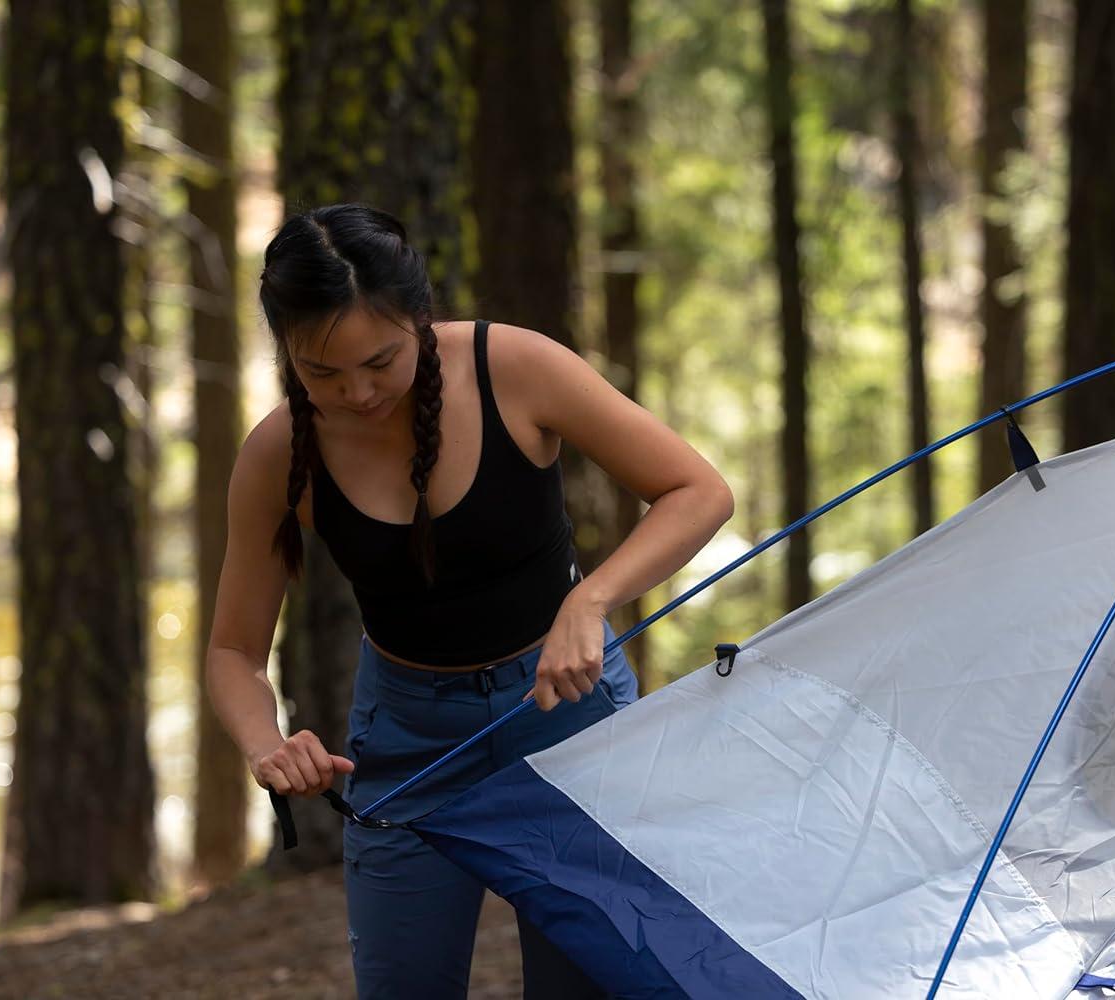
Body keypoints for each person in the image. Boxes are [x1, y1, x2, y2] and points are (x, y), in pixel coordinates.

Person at [203, 203, 734, 999]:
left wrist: (589, 601)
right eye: (322, 373)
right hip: (409, 740)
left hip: (570, 716)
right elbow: (233, 651)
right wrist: (263, 745)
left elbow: (698, 490)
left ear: (420, 317)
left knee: (589, 981)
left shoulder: (512, 367)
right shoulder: (278, 453)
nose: (357, 392)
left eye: (380, 362)